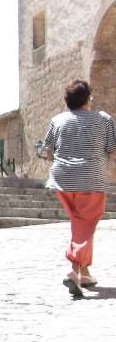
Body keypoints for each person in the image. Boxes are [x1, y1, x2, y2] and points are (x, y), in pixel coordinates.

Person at [42, 79, 116, 297]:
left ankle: (85, 274)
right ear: (87, 99)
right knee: (86, 223)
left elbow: (48, 152)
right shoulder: (104, 119)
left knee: (81, 223)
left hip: (62, 180)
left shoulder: (57, 120)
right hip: (90, 179)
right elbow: (113, 149)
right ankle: (74, 269)